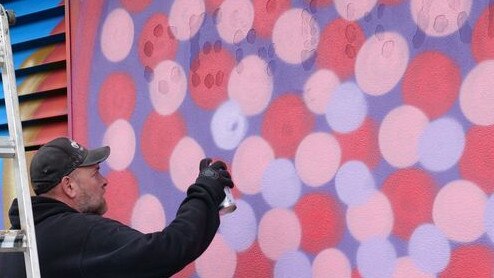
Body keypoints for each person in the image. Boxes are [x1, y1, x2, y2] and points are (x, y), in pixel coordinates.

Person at [0, 137, 234, 277]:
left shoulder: (16, 244)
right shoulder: (78, 233)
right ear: (69, 186)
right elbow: (164, 251)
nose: (104, 181)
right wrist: (205, 190)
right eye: (95, 173)